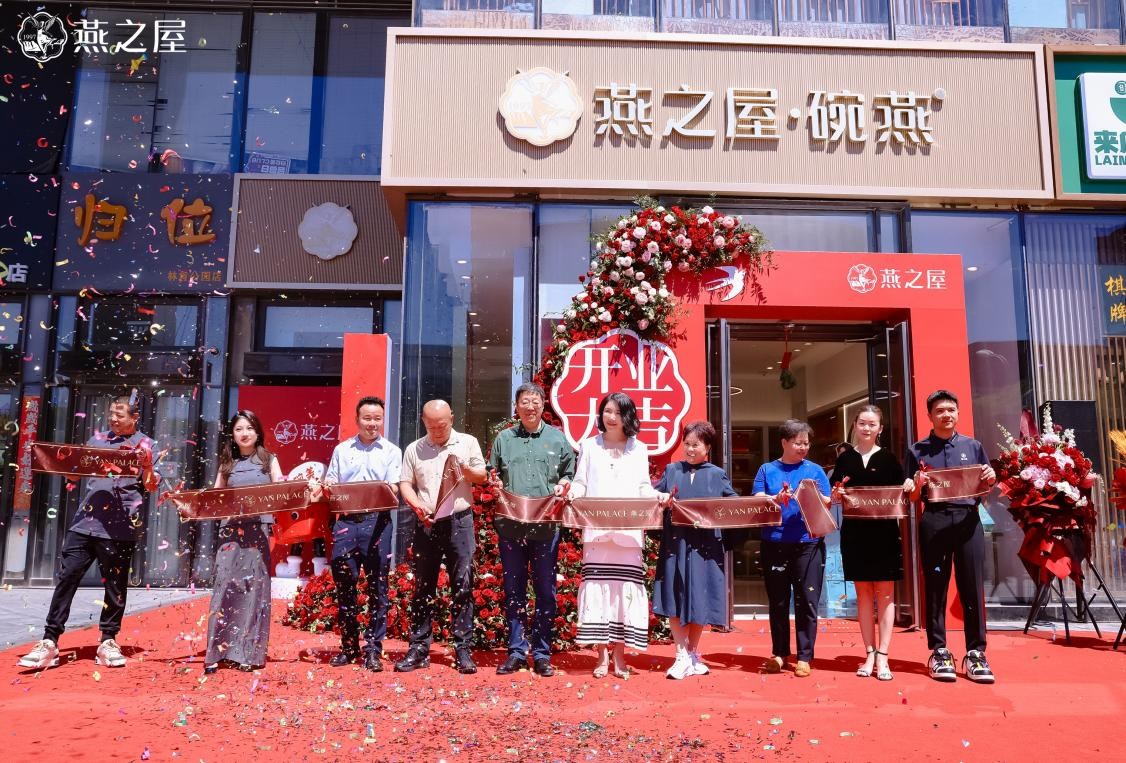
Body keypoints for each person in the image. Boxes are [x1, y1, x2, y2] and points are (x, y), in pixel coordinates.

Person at [18, 394, 159, 670]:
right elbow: (74, 476)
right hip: (84, 524)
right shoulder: (97, 440)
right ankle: (49, 640)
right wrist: (62, 461)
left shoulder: (147, 445)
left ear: (135, 417)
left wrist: (147, 464)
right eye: (111, 413)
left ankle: (108, 641)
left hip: (120, 528)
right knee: (67, 578)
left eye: (119, 415)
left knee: (115, 586)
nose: (113, 419)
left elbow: (152, 486)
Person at [571, 392, 665, 679]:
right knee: (598, 589)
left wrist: (657, 496)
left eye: (617, 412)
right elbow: (581, 482)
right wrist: (571, 493)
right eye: (607, 411)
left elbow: (643, 487)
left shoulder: (639, 448)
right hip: (597, 533)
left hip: (628, 534)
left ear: (628, 417)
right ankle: (601, 656)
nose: (611, 417)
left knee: (625, 592)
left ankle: (620, 657)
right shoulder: (589, 446)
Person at [906, 390, 997, 684]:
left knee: (972, 586)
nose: (946, 414)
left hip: (969, 520)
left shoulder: (974, 446)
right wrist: (916, 484)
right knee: (936, 587)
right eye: (940, 410)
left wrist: (991, 479)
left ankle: (976, 653)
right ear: (930, 416)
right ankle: (939, 650)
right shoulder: (917, 450)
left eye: (951, 410)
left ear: (958, 413)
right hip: (935, 519)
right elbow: (912, 496)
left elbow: (985, 488)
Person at [488, 383, 574, 677]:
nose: (530, 406)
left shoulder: (557, 439)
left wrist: (564, 484)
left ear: (543, 405)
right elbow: (493, 472)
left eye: (535, 401)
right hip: (511, 527)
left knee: (545, 592)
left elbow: (569, 473)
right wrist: (495, 483)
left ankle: (541, 653)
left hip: (545, 528)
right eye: (524, 401)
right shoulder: (504, 439)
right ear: (517, 406)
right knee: (514, 591)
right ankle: (515, 652)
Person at [396, 400, 488, 674]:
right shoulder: (414, 449)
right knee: (423, 587)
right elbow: (405, 483)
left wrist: (464, 470)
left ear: (452, 418)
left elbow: (482, 476)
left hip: (459, 522)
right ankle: (419, 647)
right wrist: (416, 505)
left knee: (463, 585)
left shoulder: (467, 443)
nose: (437, 431)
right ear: (423, 422)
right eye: (431, 426)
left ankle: (462, 648)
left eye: (442, 425)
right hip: (427, 522)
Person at [831, 405, 913, 682]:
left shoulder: (889, 459)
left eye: (872, 424)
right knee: (863, 594)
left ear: (880, 429)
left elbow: (904, 492)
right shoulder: (845, 459)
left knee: (886, 595)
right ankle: (869, 653)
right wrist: (837, 494)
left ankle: (884, 656)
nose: (866, 428)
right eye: (862, 423)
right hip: (854, 535)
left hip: (885, 535)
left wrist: (910, 485)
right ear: (854, 425)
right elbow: (835, 494)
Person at [322, 396, 402, 672]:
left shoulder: (392, 451)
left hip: (378, 522)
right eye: (367, 418)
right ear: (357, 420)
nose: (372, 423)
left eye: (377, 418)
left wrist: (381, 490)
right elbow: (331, 482)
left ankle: (373, 649)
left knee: (378, 588)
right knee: (345, 585)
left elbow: (394, 488)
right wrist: (328, 486)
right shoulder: (342, 450)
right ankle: (348, 647)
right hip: (347, 524)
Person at [653, 421, 737, 680]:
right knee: (675, 595)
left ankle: (691, 654)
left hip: (705, 547)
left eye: (696, 445)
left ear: (707, 447)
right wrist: (661, 499)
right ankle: (680, 655)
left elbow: (734, 504)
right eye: (687, 444)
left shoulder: (717, 474)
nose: (689, 449)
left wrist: (767, 503)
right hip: (675, 544)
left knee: (701, 596)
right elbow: (654, 498)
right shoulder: (672, 470)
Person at [203, 411, 283, 674]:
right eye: (239, 429)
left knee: (253, 590)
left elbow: (281, 491)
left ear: (257, 432)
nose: (244, 433)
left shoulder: (269, 460)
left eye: (249, 428)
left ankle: (248, 653)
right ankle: (217, 652)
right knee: (224, 587)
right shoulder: (226, 463)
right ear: (233, 434)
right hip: (230, 532)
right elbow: (215, 496)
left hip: (257, 532)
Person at [752, 419, 831, 678]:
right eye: (798, 443)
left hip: (808, 543)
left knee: (807, 600)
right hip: (774, 542)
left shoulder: (815, 470)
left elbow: (827, 501)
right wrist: (775, 498)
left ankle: (804, 656)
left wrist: (815, 497)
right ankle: (779, 653)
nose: (803, 447)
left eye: (806, 443)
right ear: (784, 442)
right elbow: (758, 498)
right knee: (778, 600)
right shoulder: (767, 469)